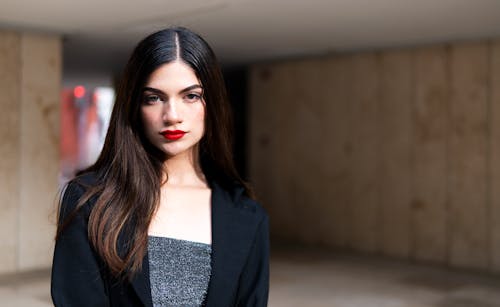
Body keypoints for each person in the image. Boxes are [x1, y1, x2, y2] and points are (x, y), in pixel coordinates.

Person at [51, 27, 269, 307]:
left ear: (212, 103)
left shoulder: (247, 216)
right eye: (154, 98)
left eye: (190, 96)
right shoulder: (89, 201)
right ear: (134, 106)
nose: (172, 115)